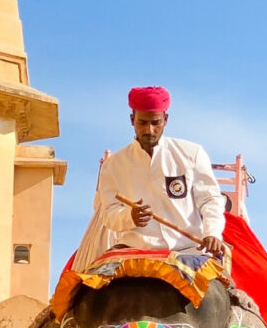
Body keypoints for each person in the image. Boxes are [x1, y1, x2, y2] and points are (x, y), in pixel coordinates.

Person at [97, 86, 226, 256]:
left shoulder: (192, 153)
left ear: (165, 119)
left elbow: (210, 199)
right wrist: (129, 216)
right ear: (131, 120)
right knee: (90, 282)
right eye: (142, 123)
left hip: (187, 250)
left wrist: (212, 233)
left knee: (221, 282)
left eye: (155, 123)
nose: (149, 130)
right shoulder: (113, 165)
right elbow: (108, 214)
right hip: (133, 250)